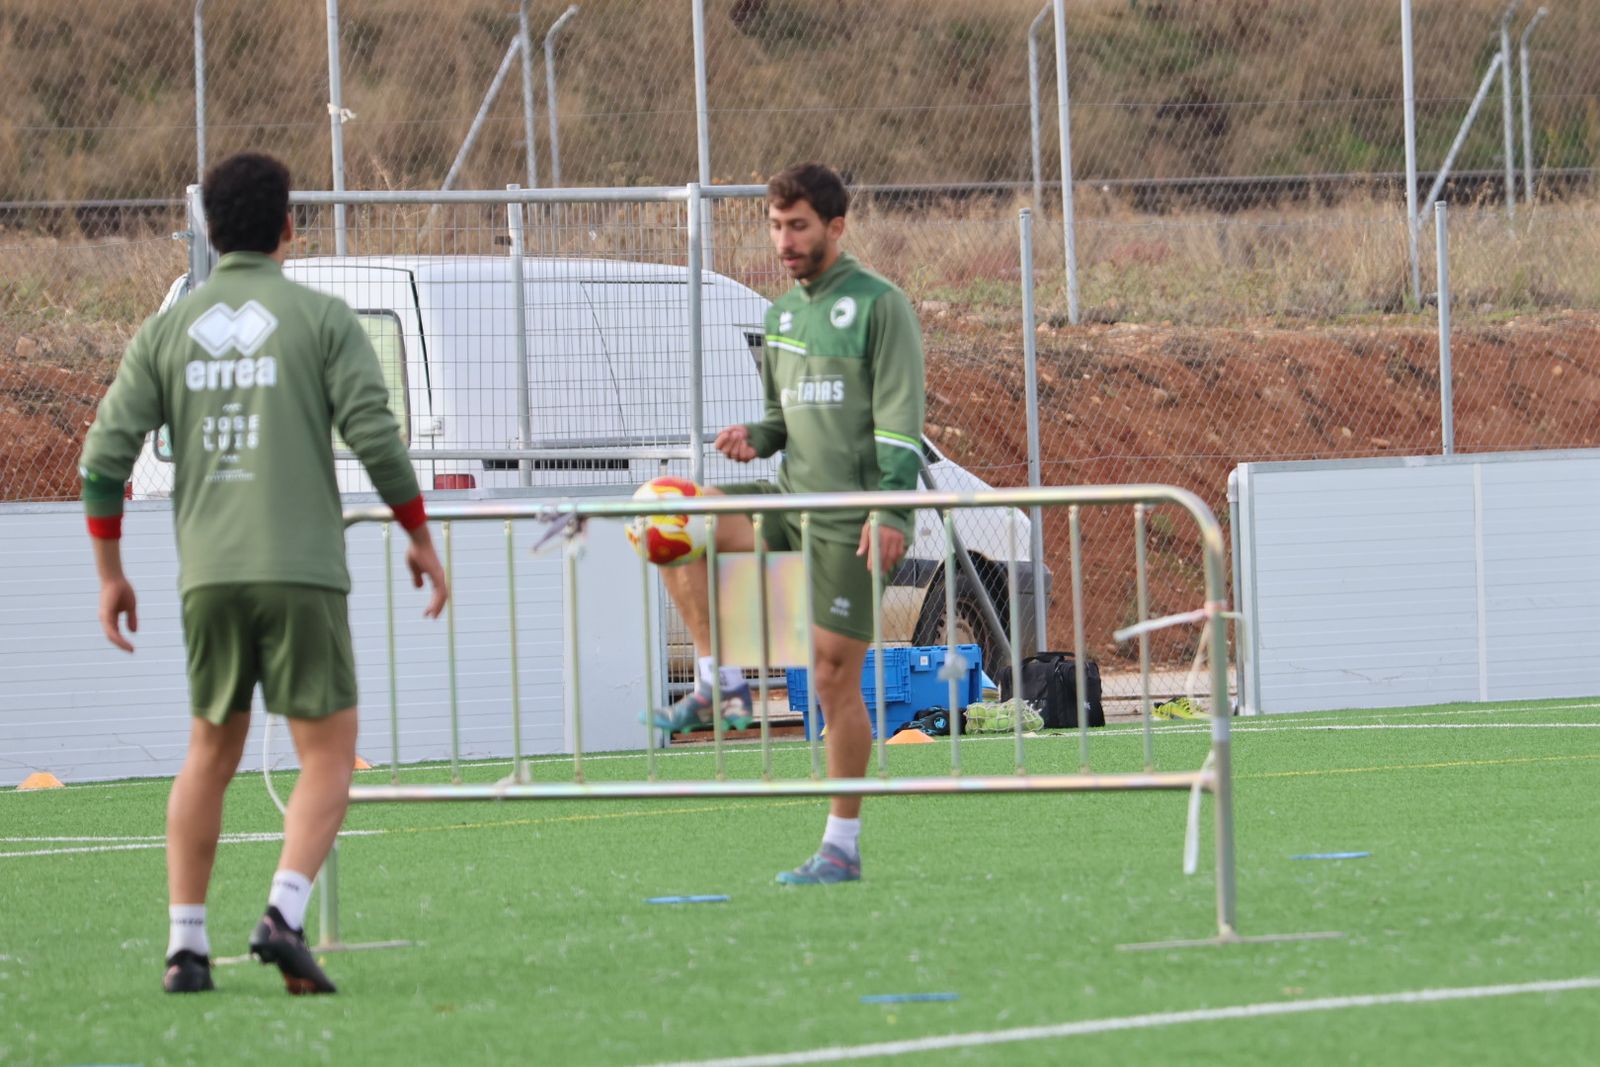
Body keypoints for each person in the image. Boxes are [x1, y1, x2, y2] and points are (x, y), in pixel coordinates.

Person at [79, 152, 449, 995]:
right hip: (302, 570)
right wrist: (418, 535)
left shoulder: (169, 328)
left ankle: (185, 948)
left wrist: (110, 572)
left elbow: (101, 462)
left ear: (208, 229)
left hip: (206, 574)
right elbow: (376, 436)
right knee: (329, 753)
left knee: (208, 749)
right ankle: (282, 912)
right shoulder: (320, 318)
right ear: (290, 225)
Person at [651, 162, 926, 885]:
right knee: (673, 519)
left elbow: (899, 417)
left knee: (833, 675)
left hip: (853, 516)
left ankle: (842, 843)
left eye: (797, 226)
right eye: (775, 226)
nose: (784, 240)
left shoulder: (879, 305)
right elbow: (783, 420)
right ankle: (724, 679)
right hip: (789, 501)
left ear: (836, 227)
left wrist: (892, 506)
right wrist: (758, 437)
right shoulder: (779, 316)